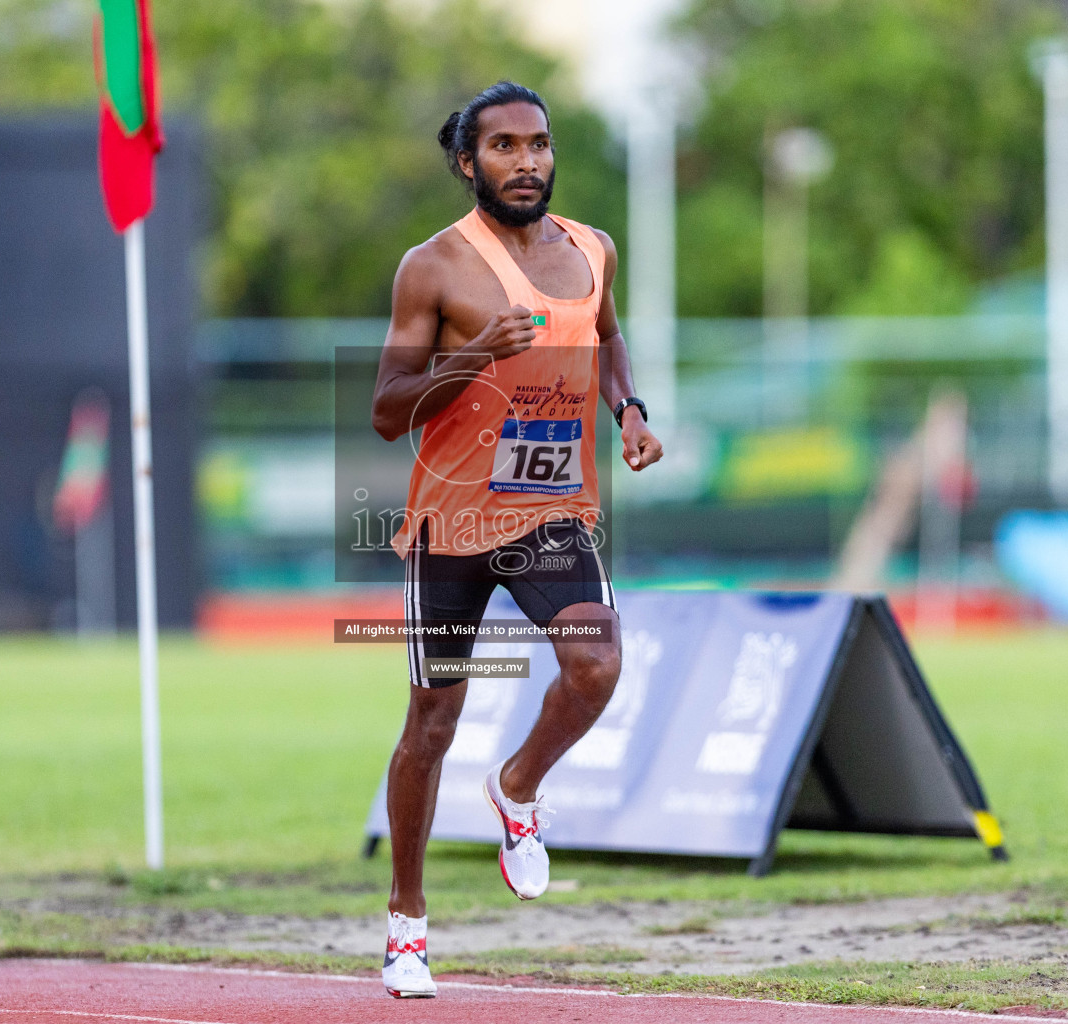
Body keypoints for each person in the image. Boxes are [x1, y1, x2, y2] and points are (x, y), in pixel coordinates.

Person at [369, 80, 663, 998]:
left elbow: (607, 337)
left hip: (550, 507)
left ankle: (520, 789)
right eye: (504, 147)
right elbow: (385, 411)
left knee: (597, 663)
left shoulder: (592, 249)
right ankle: (407, 930)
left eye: (539, 144)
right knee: (433, 722)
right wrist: (470, 357)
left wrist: (628, 409)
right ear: (469, 163)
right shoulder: (433, 267)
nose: (527, 161)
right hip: (453, 517)